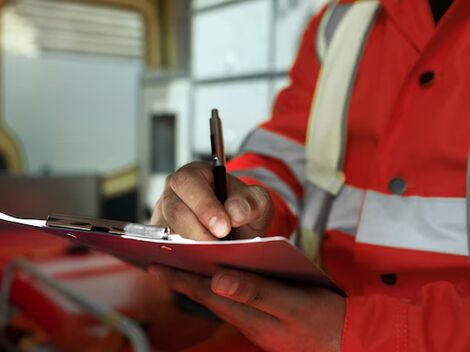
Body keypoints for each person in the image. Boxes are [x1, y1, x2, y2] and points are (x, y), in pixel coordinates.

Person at [149, 0, 470, 350]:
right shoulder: (342, 18)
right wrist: (237, 204)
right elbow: (287, 152)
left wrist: (357, 334)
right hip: (305, 324)